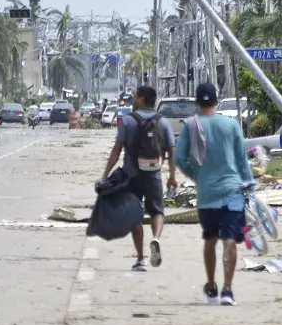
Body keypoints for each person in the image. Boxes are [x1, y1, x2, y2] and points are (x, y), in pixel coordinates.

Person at [174, 82, 253, 306]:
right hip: (233, 192)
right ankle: (228, 290)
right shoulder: (231, 124)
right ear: (216, 102)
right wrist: (250, 185)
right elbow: (241, 159)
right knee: (230, 241)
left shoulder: (191, 125)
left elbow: (179, 158)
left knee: (210, 239)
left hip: (207, 194)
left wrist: (196, 175)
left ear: (197, 103)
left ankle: (211, 285)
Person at [101, 85, 176, 271]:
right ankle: (156, 239)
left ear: (141, 98)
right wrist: (172, 177)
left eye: (135, 96)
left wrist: (105, 174)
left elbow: (117, 150)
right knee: (157, 211)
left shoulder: (128, 121)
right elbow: (171, 152)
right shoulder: (163, 122)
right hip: (154, 175)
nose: (133, 100)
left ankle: (141, 259)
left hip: (131, 176)